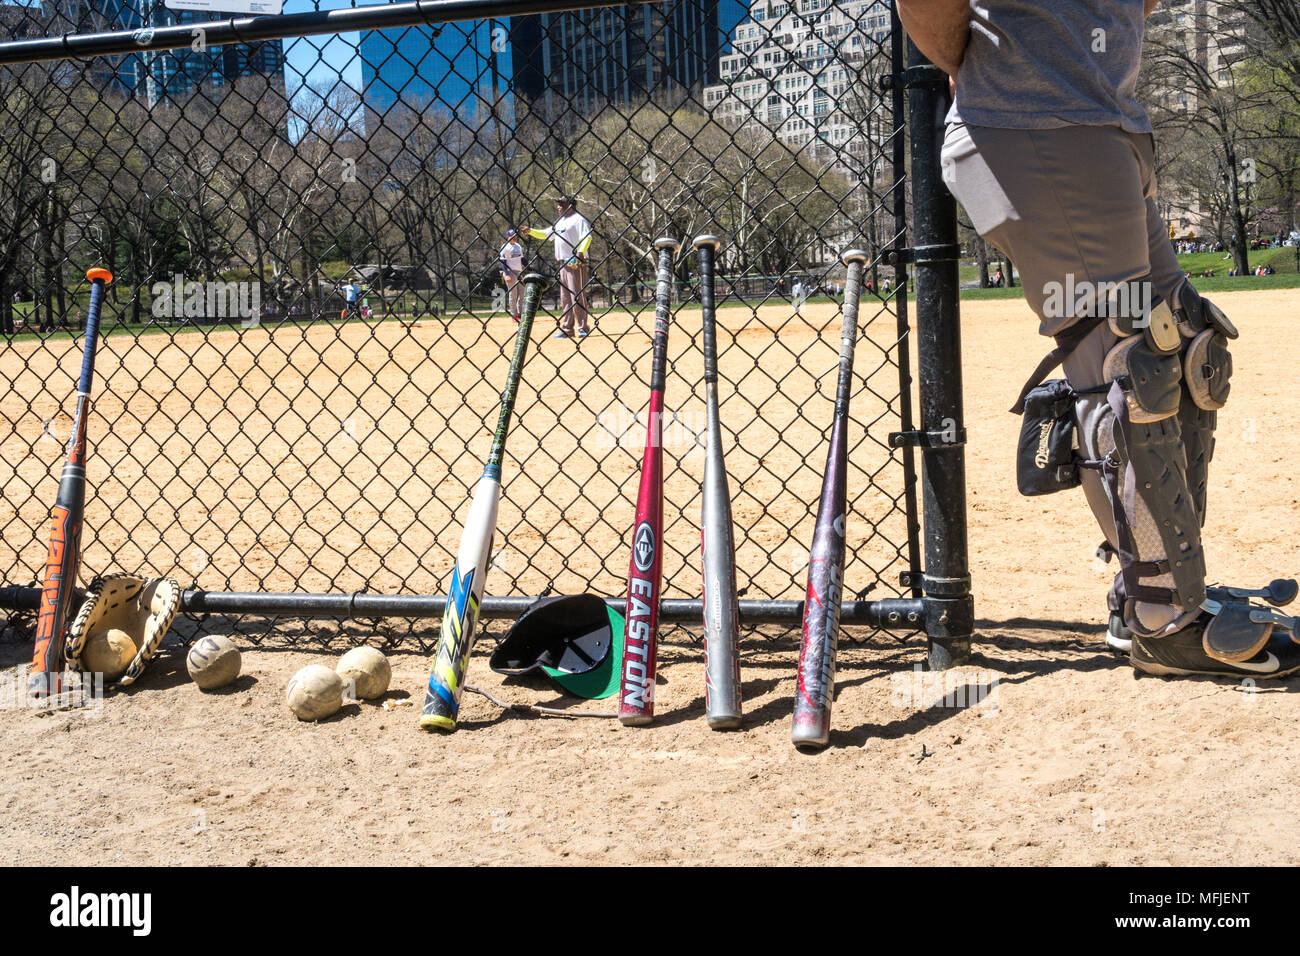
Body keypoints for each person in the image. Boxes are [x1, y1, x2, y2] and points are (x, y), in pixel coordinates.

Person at [901, 0, 1299, 678]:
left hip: (1102, 123)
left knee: (1187, 343)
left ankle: (1158, 577)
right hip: (1037, 128)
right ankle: (1161, 615)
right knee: (1126, 371)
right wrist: (997, 73)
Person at [523, 195, 593, 338]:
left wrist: (580, 253)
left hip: (575, 262)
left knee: (577, 295)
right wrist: (531, 231)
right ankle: (567, 328)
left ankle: (583, 328)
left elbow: (587, 237)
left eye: (562, 203)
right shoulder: (560, 222)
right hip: (562, 262)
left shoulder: (579, 219)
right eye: (558, 203)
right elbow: (545, 234)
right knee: (565, 297)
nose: (558, 206)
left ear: (570, 205)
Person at [499, 228, 525, 322]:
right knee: (513, 294)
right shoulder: (505, 247)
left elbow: (522, 259)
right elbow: (503, 262)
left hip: (519, 272)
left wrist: (529, 269)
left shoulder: (518, 246)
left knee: (522, 293)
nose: (514, 237)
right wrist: (506, 274)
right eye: (512, 236)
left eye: (515, 235)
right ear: (507, 237)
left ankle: (520, 313)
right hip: (510, 272)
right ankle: (513, 315)